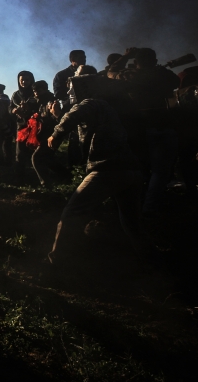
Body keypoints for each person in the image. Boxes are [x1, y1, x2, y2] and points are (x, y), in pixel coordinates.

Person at [45, 83, 151, 264]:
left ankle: (56, 263)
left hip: (108, 169)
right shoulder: (109, 108)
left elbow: (77, 112)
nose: (70, 91)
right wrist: (58, 116)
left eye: (72, 86)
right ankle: (152, 260)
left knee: (71, 213)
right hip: (131, 169)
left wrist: (56, 134)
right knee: (132, 224)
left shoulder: (92, 102)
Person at [112, 48, 180, 214]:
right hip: (163, 125)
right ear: (155, 61)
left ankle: (136, 205)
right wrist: (160, 68)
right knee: (160, 171)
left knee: (140, 168)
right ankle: (151, 207)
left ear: (136, 62)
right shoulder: (163, 75)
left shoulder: (128, 75)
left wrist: (125, 56)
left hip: (138, 128)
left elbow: (111, 72)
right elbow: (176, 82)